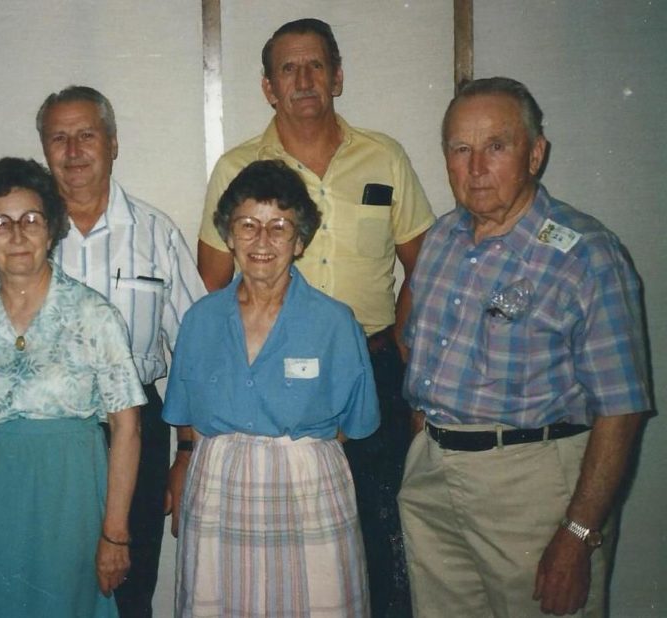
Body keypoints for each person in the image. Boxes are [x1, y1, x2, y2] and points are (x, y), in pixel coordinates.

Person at [195, 19, 433, 617]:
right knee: (275, 554)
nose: (303, 79)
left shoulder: (384, 157)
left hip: (370, 371)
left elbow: (425, 265)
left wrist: (405, 347)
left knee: (380, 537)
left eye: (316, 65)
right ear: (268, 87)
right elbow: (211, 284)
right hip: (268, 385)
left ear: (337, 76)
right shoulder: (238, 168)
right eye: (288, 69)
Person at [398, 77, 651, 617]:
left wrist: (578, 532)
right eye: (460, 149)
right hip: (434, 479)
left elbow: (622, 408)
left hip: (530, 488)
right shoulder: (440, 240)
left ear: (535, 154)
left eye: (496, 146)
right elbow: (418, 344)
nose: (475, 167)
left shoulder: (587, 255)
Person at [0, 85, 206, 617]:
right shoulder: (16, 238)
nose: (73, 151)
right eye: (59, 138)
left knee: (127, 585)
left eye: (86, 136)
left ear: (112, 144)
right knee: (40, 585)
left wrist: (188, 451)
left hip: (134, 430)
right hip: (40, 440)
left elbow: (195, 352)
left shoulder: (156, 234)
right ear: (44, 149)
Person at [164, 159, 380, 617]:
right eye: (248, 225)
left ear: (299, 241)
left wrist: (290, 453)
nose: (262, 241)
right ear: (229, 235)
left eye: (279, 227)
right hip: (218, 491)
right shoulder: (200, 320)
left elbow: (355, 424)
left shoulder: (335, 322)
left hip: (309, 491)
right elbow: (185, 415)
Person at [0, 157, 143, 616]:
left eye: (31, 220)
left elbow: (126, 428)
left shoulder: (94, 315)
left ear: (51, 231)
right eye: (0, 223)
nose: (17, 235)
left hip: (68, 496)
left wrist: (115, 531)